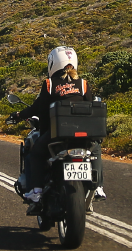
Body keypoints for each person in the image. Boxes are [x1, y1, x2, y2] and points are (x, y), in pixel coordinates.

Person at [7, 46, 105, 211]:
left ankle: (35, 191)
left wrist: (19, 115)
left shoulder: (50, 84)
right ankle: (99, 187)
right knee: (95, 150)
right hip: (82, 135)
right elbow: (91, 106)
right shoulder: (83, 84)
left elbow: (39, 108)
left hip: (57, 135)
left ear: (52, 63)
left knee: (35, 155)